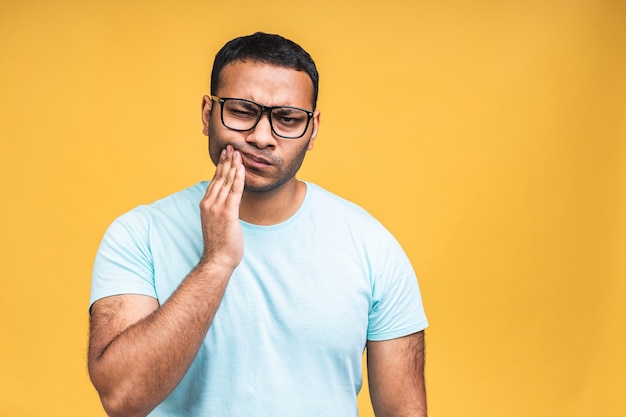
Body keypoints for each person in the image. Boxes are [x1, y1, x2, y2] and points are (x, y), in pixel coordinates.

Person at [88, 32, 428, 417]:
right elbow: (122, 398)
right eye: (241, 111)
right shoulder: (138, 235)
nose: (261, 137)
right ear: (207, 114)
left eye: (287, 119)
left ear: (313, 128)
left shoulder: (371, 246)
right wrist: (216, 261)